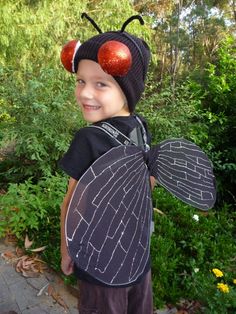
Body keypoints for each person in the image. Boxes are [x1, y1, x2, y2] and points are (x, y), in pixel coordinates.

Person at [59, 13, 154, 314]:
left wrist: (65, 250)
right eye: (81, 81)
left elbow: (72, 204)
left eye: (101, 84)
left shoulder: (89, 138)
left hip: (102, 263)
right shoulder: (141, 127)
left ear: (128, 90)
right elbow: (150, 184)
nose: (85, 93)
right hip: (138, 256)